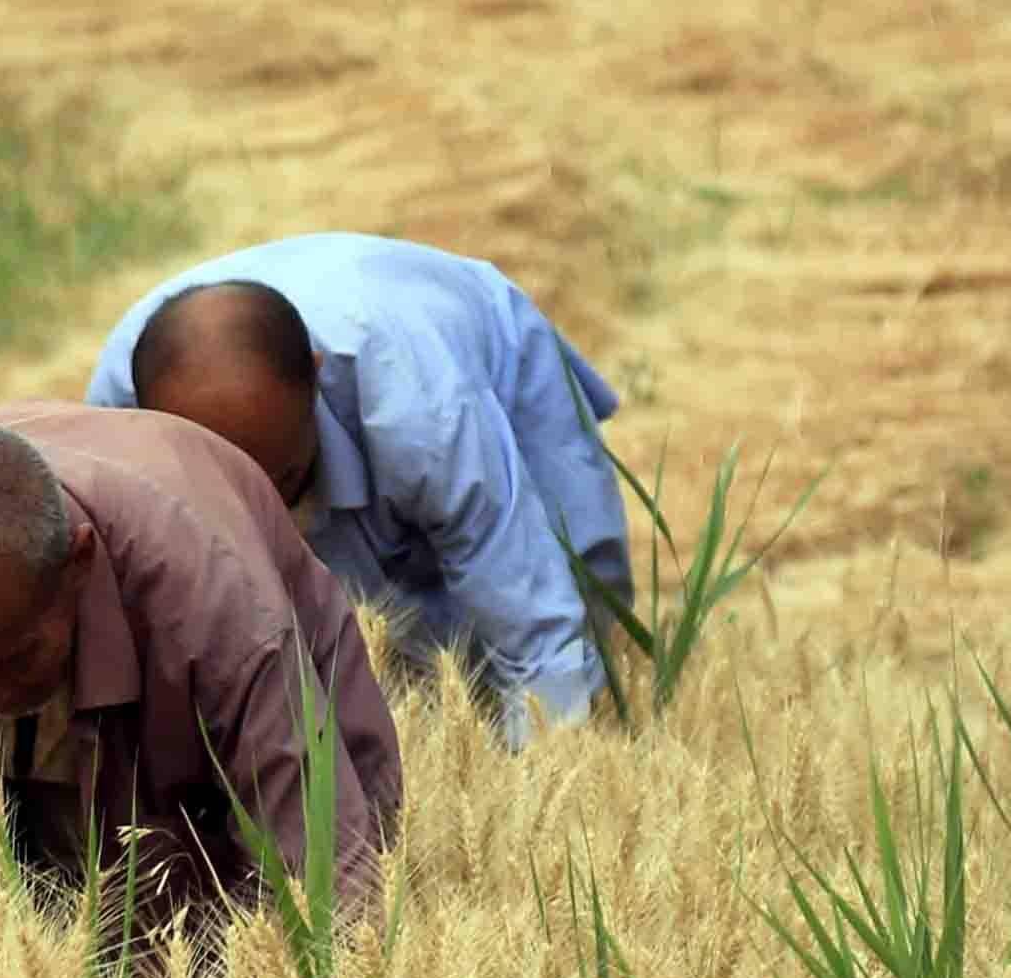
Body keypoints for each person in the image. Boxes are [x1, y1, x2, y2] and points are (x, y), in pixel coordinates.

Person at [0, 402, 405, 961]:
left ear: (79, 564)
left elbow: (329, 895)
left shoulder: (223, 609)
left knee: (239, 921)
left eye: (12, 662)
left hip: (235, 701)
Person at [85, 233, 632, 744]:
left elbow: (535, 632)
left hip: (471, 345)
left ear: (317, 378)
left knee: (578, 590)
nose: (262, 514)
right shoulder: (122, 419)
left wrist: (552, 774)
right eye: (228, 486)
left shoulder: (425, 411)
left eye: (278, 481)